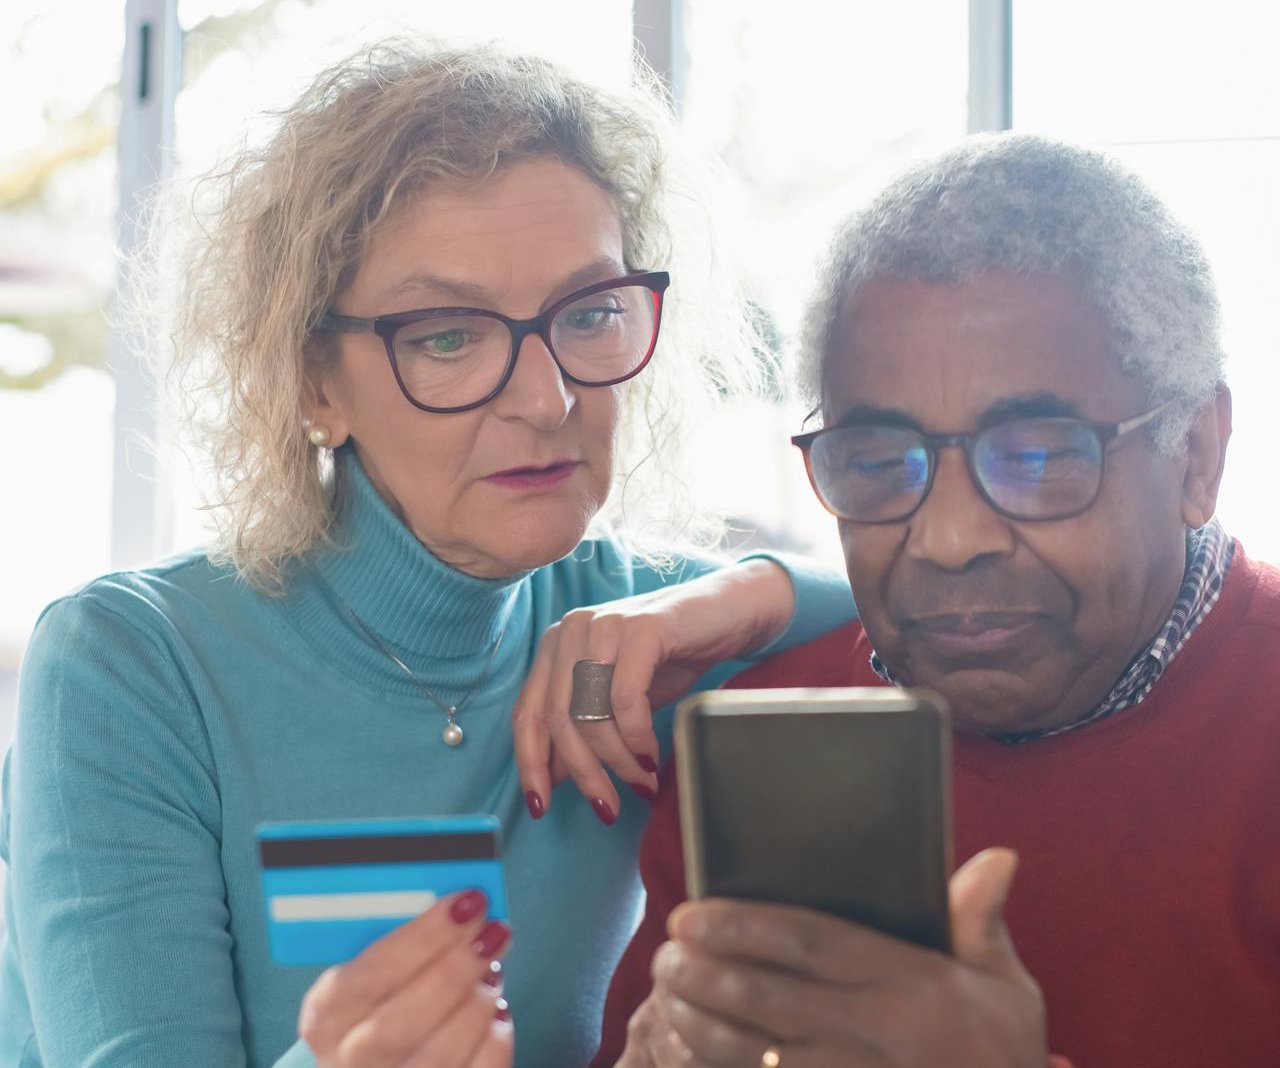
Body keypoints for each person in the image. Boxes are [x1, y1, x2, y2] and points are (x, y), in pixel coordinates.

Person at [0, 43, 855, 1068]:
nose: (547, 400)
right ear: (313, 381)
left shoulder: (637, 635)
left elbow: (914, 608)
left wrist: (747, 598)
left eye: (587, 315)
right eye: (448, 337)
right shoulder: (133, 665)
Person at [589, 134, 1280, 1067]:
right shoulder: (764, 755)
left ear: (1196, 455)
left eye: (1037, 456)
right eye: (878, 463)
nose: (952, 541)